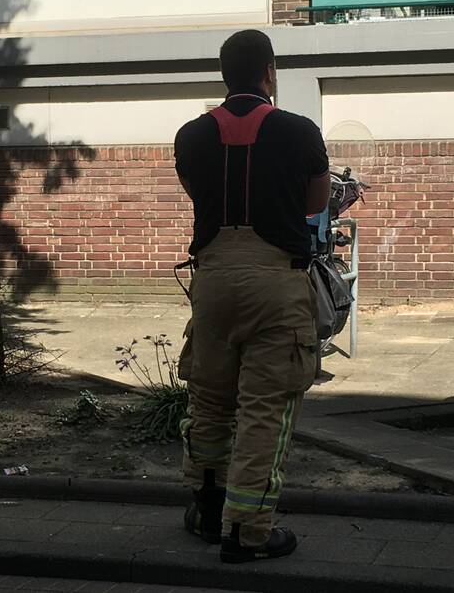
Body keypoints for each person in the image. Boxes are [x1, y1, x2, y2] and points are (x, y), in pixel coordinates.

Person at [173, 29, 330, 564]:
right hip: (275, 284)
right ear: (269, 72)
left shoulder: (190, 136)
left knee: (210, 402)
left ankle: (207, 512)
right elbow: (315, 202)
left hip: (212, 281)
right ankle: (246, 531)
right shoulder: (300, 131)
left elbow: (198, 196)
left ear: (224, 74)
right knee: (264, 409)